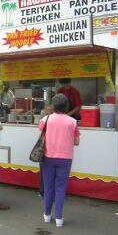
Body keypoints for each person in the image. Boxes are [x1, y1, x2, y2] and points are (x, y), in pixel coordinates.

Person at [39, 94, 80, 227]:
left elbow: (41, 135)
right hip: (65, 159)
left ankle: (46, 215)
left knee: (48, 186)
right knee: (60, 188)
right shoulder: (72, 122)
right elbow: (77, 141)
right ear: (66, 106)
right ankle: (59, 219)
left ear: (54, 106)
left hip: (48, 157)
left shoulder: (46, 119)